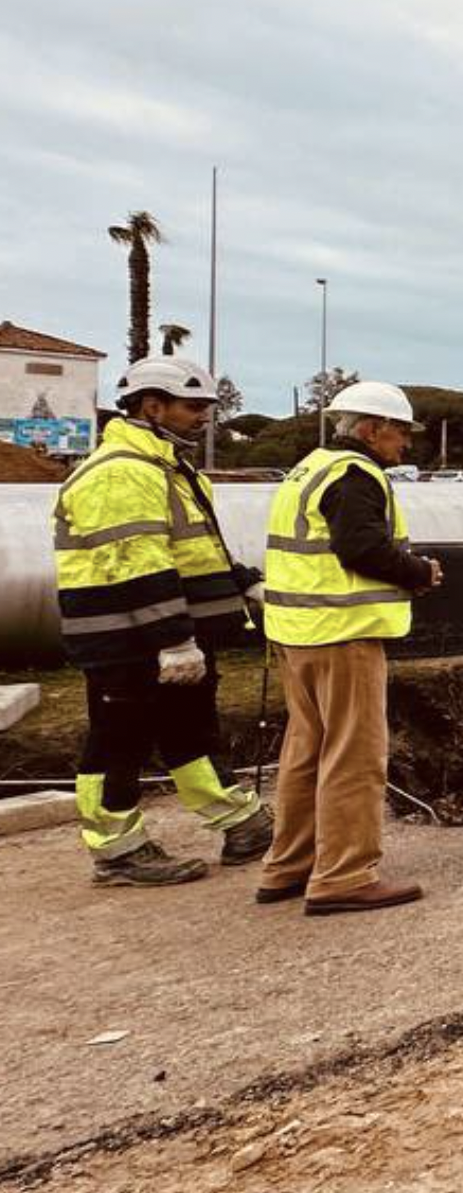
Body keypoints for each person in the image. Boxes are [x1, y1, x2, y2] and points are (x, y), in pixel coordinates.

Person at [51, 358, 271, 885]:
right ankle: (116, 849)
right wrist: (173, 642)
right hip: (126, 640)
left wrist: (240, 581)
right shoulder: (121, 472)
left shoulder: (166, 468)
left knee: (187, 728)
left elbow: (191, 549)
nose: (204, 418)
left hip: (171, 633)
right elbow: (137, 563)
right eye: (193, 407)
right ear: (152, 406)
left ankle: (239, 820)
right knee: (117, 739)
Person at [256, 380, 441, 914]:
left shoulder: (308, 468)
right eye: (400, 431)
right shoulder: (356, 474)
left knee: (305, 751)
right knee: (354, 755)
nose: (404, 443)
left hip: (297, 634)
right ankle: (344, 875)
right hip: (343, 634)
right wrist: (418, 572)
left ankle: (288, 866)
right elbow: (360, 546)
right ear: (370, 429)